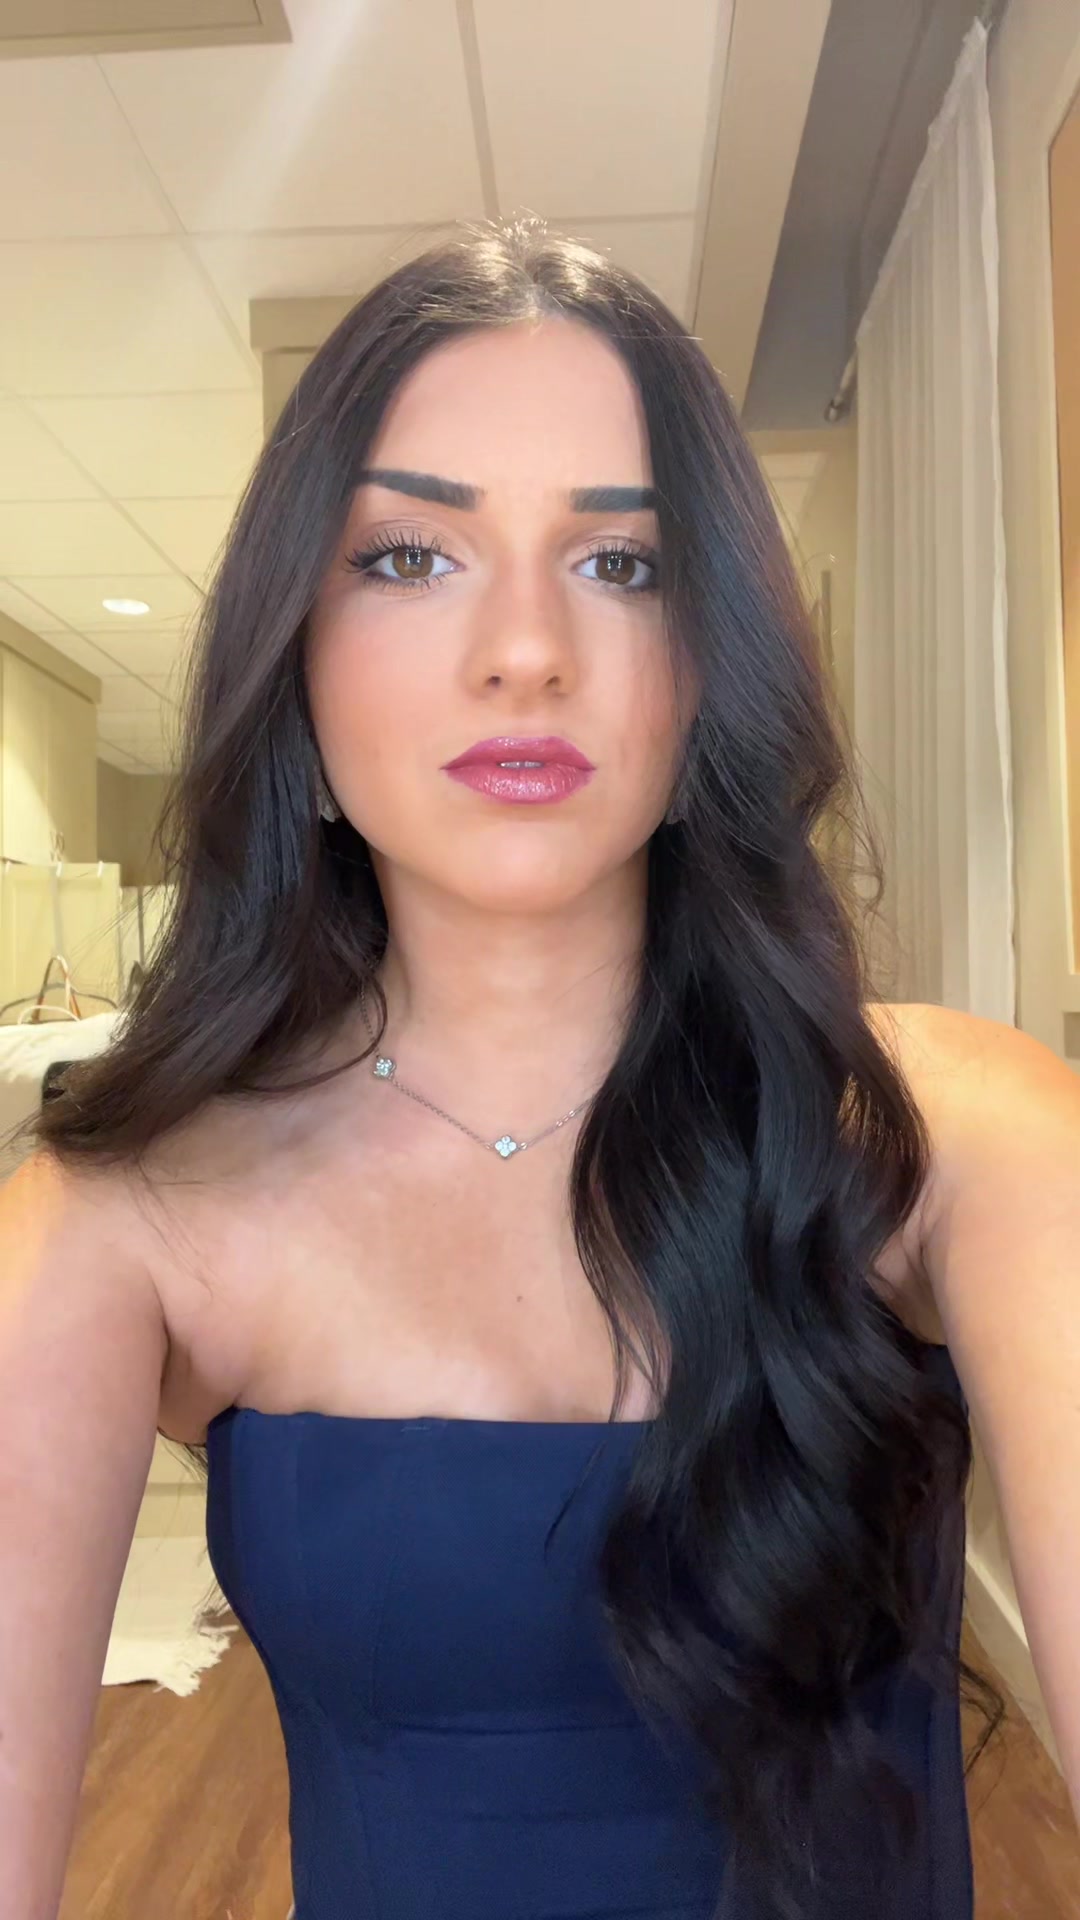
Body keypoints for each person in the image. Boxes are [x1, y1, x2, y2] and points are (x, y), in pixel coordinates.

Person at [2, 217, 1078, 1920]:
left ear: (709, 665)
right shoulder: (115, 1221)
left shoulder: (959, 1141)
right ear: (294, 657)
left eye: (622, 565)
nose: (525, 649)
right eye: (409, 556)